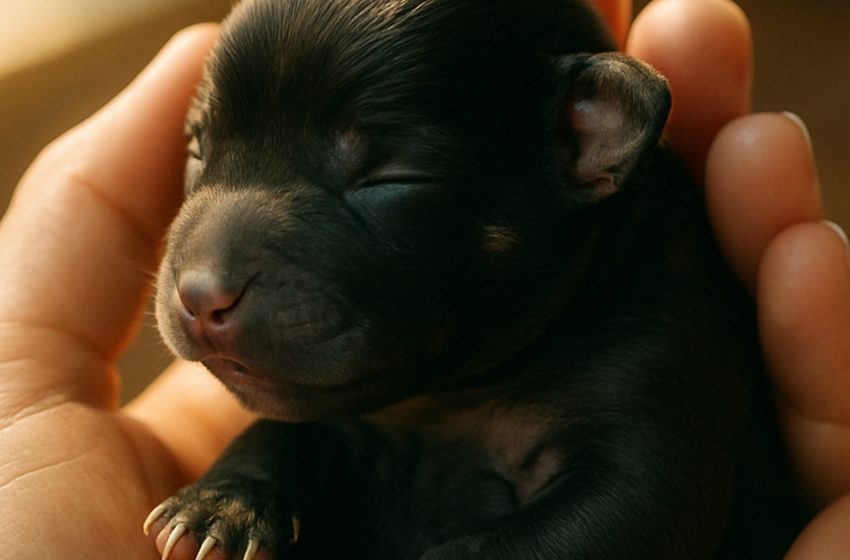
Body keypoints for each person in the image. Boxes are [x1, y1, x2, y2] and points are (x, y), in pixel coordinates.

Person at [0, 0, 847, 557]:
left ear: (585, 133)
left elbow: (651, 506)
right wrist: (244, 486)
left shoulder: (650, 340)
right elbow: (329, 441)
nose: (207, 277)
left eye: (381, 177)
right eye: (205, 148)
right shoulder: (379, 369)